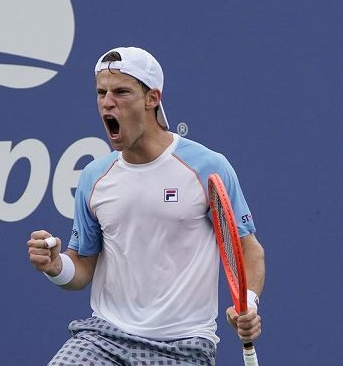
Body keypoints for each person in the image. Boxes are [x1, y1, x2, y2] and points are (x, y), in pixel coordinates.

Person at [27, 46, 265, 365]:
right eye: (101, 93)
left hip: (183, 345)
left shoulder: (208, 167)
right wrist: (56, 267)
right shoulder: (94, 177)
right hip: (104, 337)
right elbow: (81, 267)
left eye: (121, 92)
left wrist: (246, 302)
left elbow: (249, 249)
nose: (107, 102)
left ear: (152, 98)